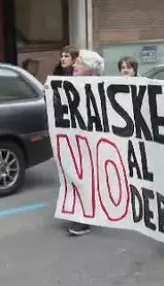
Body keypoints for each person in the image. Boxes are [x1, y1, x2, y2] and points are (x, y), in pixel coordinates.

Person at [66, 49, 105, 236]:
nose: (74, 65)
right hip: (74, 142)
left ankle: (84, 218)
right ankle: (80, 212)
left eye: (79, 63)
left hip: (90, 143)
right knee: (75, 177)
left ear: (89, 70)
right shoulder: (69, 86)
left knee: (87, 178)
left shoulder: (99, 89)